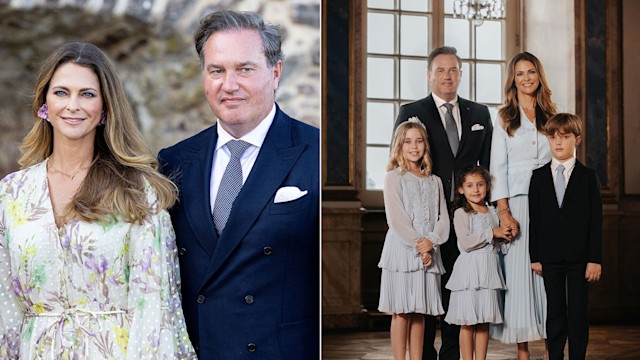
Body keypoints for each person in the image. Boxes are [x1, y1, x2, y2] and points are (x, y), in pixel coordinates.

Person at [0, 42, 195, 359]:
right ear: (44, 103)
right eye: (61, 92)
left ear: (105, 109)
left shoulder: (136, 191)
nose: (73, 105)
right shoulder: (12, 194)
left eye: (87, 94)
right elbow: (4, 306)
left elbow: (155, 308)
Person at [158, 10, 319, 359]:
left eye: (245, 69)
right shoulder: (172, 162)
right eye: (217, 70)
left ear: (275, 72)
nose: (228, 85)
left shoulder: (316, 153)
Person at [394, 45, 493, 360]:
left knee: (456, 286)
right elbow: (401, 158)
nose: (447, 76)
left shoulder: (479, 113)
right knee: (423, 290)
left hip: (464, 216)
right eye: (440, 70)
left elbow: (487, 165)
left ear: (461, 74)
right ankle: (423, 354)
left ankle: (451, 352)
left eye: (453, 70)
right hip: (424, 218)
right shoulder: (412, 110)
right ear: (429, 75)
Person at [489, 51, 556, 359]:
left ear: (539, 75)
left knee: (548, 274)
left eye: (531, 72)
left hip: (549, 203)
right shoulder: (503, 117)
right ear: (512, 79)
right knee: (519, 275)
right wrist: (504, 211)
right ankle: (523, 352)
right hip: (516, 203)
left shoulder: (553, 115)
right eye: (520, 73)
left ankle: (551, 346)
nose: (527, 77)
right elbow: (497, 168)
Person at [529, 113, 602, 360]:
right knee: (555, 312)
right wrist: (535, 256)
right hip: (549, 257)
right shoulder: (538, 177)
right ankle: (555, 356)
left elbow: (595, 221)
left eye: (565, 137)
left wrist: (594, 259)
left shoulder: (587, 177)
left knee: (578, 312)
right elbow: (534, 220)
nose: (558, 143)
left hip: (580, 257)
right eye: (553, 137)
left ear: (577, 139)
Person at [378, 118, 450, 360]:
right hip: (403, 250)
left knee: (420, 312)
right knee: (401, 312)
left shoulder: (435, 181)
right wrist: (420, 246)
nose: (414, 146)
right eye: (408, 141)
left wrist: (432, 241)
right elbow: (397, 219)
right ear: (399, 145)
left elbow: (443, 219)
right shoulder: (393, 177)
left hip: (430, 248)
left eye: (419, 141)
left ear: (425, 145)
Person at [444, 165, 510, 360]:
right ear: (461, 189)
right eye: (470, 185)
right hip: (469, 273)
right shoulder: (461, 213)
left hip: (489, 271)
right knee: (468, 321)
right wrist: (492, 233)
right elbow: (465, 243)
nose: (476, 190)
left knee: (483, 321)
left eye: (480, 185)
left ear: (488, 186)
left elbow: (498, 242)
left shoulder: (492, 211)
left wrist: (505, 236)